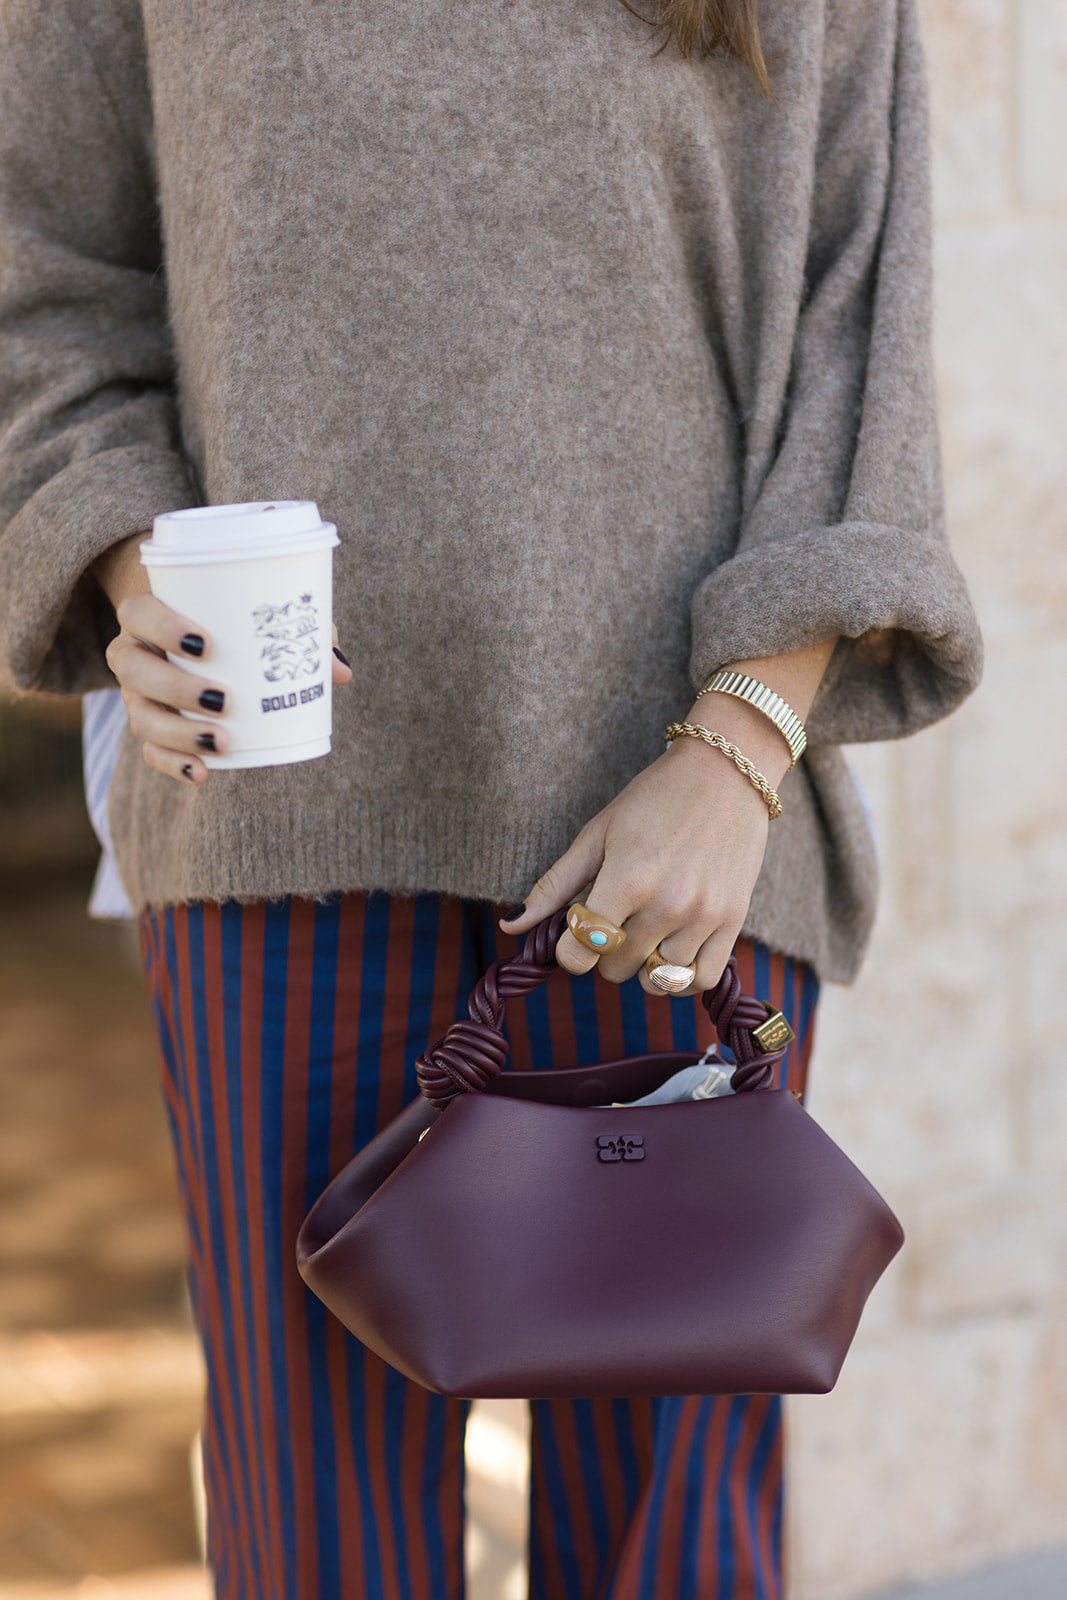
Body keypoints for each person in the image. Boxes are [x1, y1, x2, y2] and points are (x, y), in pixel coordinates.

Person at [0, 0, 982, 1594]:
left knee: (669, 1542)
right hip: (274, 824)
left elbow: (854, 322)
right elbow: (46, 283)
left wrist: (734, 753)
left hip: (680, 851)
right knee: (316, 1531)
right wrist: (128, 567)